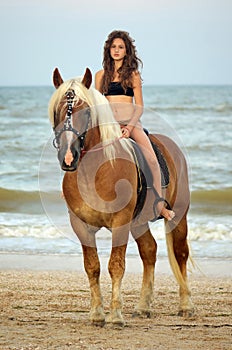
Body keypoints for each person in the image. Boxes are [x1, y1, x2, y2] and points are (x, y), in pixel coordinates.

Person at [95, 30, 175, 221]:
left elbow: (139, 107)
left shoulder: (133, 75)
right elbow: (97, 104)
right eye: (113, 47)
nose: (116, 50)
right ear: (108, 50)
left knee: (153, 161)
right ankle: (69, 189)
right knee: (83, 147)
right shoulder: (100, 75)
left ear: (127, 51)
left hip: (131, 124)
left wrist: (129, 128)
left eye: (120, 47)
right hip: (108, 125)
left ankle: (160, 204)